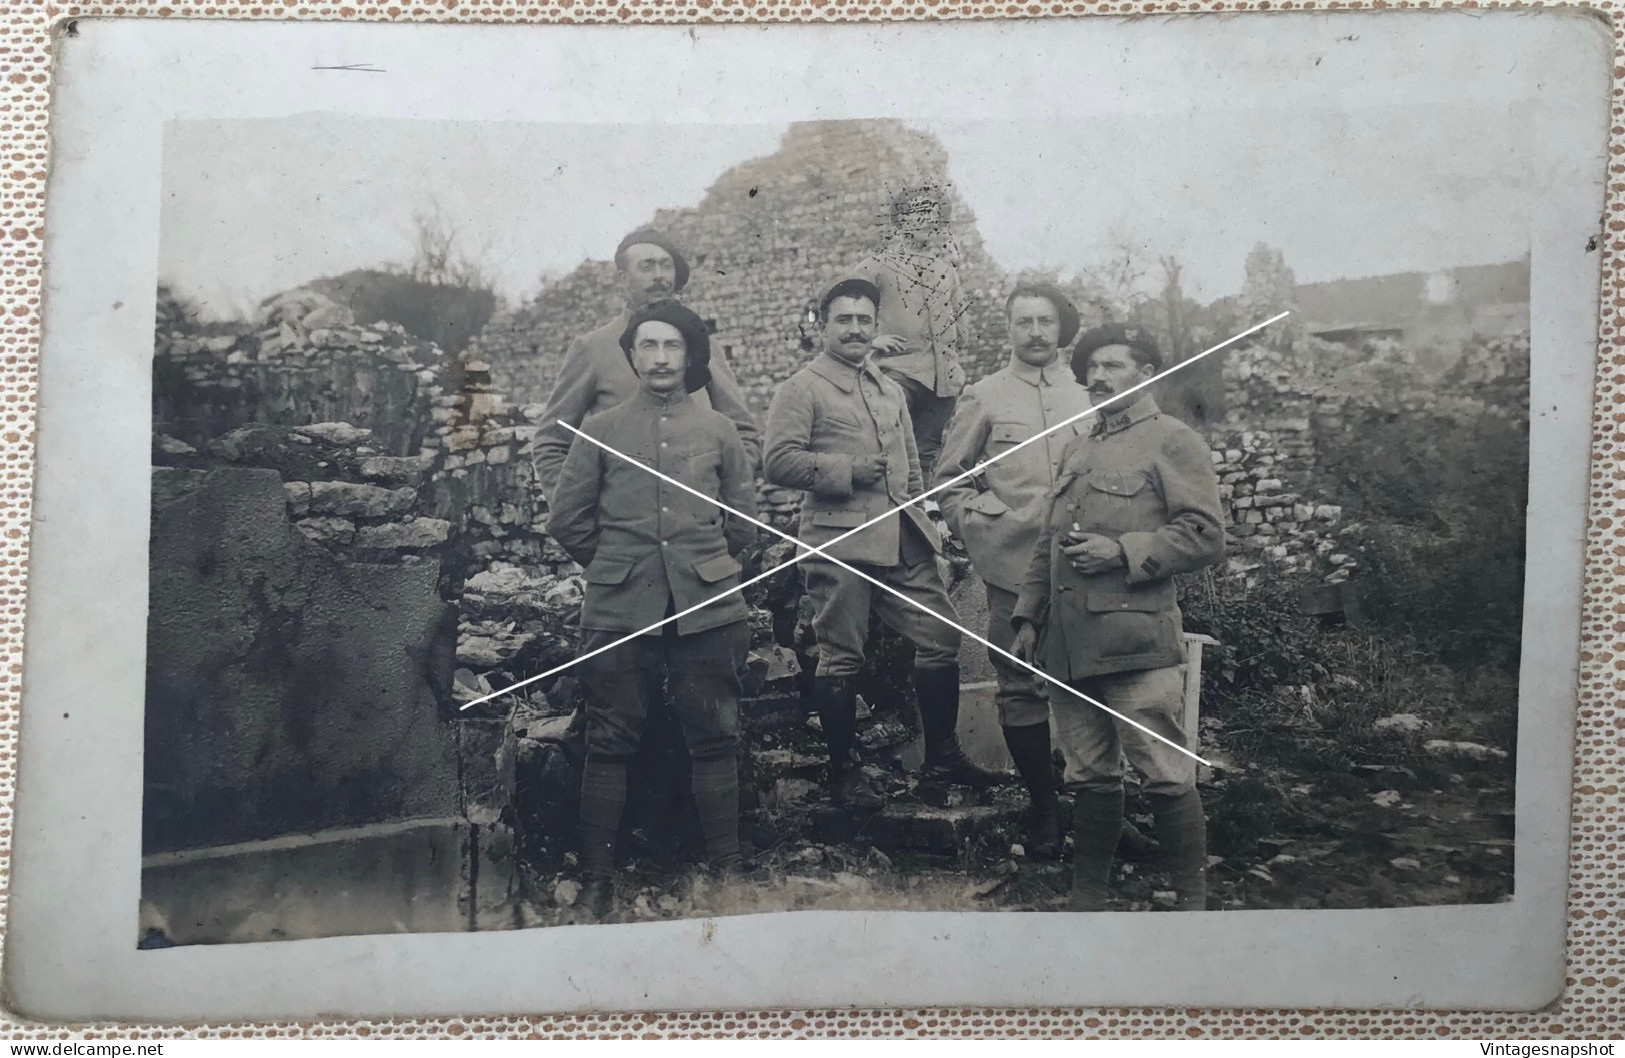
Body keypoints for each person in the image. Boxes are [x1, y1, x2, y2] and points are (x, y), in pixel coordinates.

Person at [547, 299, 758, 920]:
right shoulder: (602, 429)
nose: (661, 358)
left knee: (715, 738)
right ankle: (597, 881)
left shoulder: (718, 430)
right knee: (610, 741)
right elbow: (567, 520)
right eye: (648, 347)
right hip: (619, 609)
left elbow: (744, 522)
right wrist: (618, 567)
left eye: (672, 347)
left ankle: (728, 877)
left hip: (707, 605)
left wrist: (707, 568)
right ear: (632, 356)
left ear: (691, 356)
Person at [764, 276, 1002, 812]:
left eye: (864, 320)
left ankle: (942, 759)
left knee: (941, 637)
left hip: (902, 539)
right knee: (841, 657)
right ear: (821, 326)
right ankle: (844, 773)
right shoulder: (800, 388)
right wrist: (846, 469)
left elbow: (913, 469)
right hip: (839, 542)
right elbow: (777, 462)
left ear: (876, 327)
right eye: (842, 320)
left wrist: (930, 524)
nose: (854, 329)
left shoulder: (888, 388)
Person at [1011, 324, 1225, 912]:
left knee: (1164, 772)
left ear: (1146, 373)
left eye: (1114, 365)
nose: (1099, 377)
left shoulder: (1173, 441)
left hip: (1135, 640)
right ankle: (1089, 902)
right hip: (1069, 645)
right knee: (1088, 776)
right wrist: (1029, 618)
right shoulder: (1081, 446)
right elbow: (1047, 544)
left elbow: (1205, 536)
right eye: (1093, 368)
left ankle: (1192, 907)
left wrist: (1123, 550)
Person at [934, 282, 1089, 858]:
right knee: (1020, 686)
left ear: (1060, 327)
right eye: (1024, 322)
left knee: (1092, 683)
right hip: (1012, 566)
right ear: (1009, 328)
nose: (1036, 332)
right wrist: (982, 525)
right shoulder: (986, 395)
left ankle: (1100, 811)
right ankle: (1044, 810)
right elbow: (950, 478)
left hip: (1084, 564)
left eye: (1045, 321)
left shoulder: (1087, 392)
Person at [531, 227, 762, 503]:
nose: (659, 276)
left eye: (666, 266)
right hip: (623, 527)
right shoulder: (593, 349)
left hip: (698, 527)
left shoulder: (704, 345)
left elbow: (744, 433)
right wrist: (577, 516)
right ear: (622, 279)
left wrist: (723, 502)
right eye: (647, 266)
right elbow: (552, 442)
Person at [848, 185, 971, 480]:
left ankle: (918, 521)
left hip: (942, 384)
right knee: (888, 452)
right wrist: (869, 340)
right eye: (920, 212)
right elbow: (840, 299)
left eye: (933, 214)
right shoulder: (878, 265)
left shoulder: (946, 270)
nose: (928, 220)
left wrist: (955, 272)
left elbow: (963, 335)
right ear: (901, 221)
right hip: (896, 375)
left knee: (925, 459)